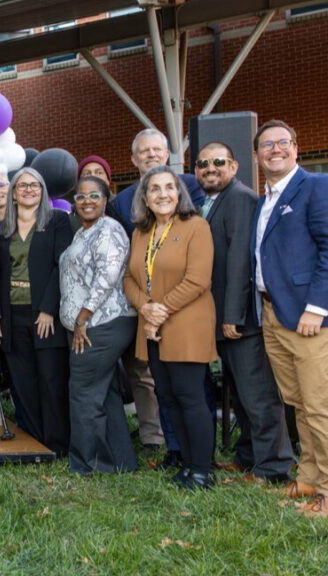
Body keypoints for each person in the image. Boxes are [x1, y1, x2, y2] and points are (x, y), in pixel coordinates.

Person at [195, 141, 293, 483]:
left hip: (240, 320)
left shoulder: (238, 198)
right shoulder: (210, 201)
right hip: (222, 317)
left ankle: (274, 467)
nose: (210, 168)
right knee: (240, 394)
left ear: (234, 167)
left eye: (219, 161)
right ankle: (249, 456)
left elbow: (240, 260)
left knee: (259, 396)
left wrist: (233, 315)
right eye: (203, 163)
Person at [251, 120, 328, 516]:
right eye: (267, 145)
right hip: (272, 313)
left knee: (319, 404)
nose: (275, 149)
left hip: (307, 317)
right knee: (297, 402)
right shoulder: (265, 199)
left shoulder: (315, 187)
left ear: (296, 148)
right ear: (257, 155)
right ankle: (310, 477)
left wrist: (317, 307)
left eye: (283, 142)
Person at [123, 166, 217, 490]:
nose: (163, 194)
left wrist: (158, 311)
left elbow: (198, 279)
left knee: (191, 398)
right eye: (155, 189)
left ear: (179, 193)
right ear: (145, 199)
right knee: (168, 397)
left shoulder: (196, 226)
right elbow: (129, 279)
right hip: (151, 329)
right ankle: (187, 465)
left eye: (169, 188)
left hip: (186, 325)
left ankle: (203, 471)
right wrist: (144, 308)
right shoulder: (140, 232)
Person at [0, 167, 72, 455]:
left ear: (43, 190)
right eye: (22, 185)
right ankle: (36, 443)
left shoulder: (58, 221)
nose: (28, 190)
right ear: (13, 192)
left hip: (45, 315)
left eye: (34, 185)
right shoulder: (4, 228)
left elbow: (62, 267)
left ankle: (57, 444)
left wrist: (49, 308)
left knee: (51, 381)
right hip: (12, 315)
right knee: (23, 383)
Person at [59, 177, 137, 474]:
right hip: (89, 323)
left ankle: (88, 463)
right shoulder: (82, 232)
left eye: (94, 195)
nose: (87, 201)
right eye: (80, 197)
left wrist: (82, 319)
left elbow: (107, 277)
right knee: (104, 394)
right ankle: (119, 461)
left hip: (101, 322)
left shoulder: (110, 230)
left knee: (83, 393)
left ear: (106, 199)